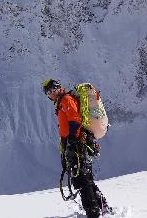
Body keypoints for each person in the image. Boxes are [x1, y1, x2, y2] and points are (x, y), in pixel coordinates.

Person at [42, 78, 112, 218]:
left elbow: (75, 120)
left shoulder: (66, 100)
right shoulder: (62, 102)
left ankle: (94, 213)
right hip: (76, 145)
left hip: (78, 145)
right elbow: (66, 129)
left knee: (81, 180)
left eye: (52, 90)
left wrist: (73, 142)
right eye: (48, 93)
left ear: (58, 88)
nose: (51, 94)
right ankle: (103, 209)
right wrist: (65, 152)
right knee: (85, 179)